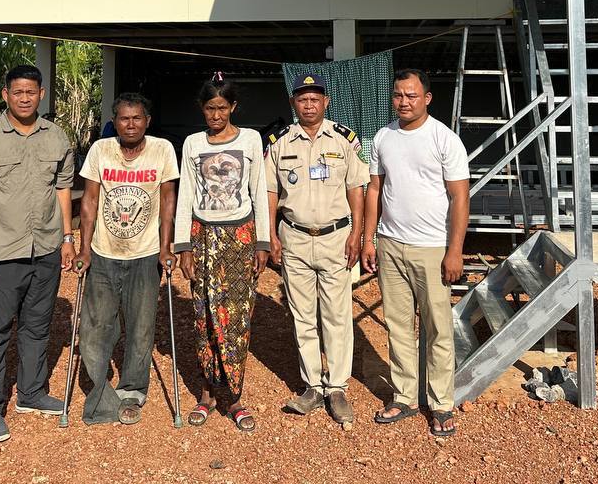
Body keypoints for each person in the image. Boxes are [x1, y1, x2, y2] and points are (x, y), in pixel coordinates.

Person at [0, 64, 76, 443]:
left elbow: (62, 189)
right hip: (1, 253)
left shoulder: (57, 137)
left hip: (46, 249)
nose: (25, 98)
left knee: (37, 327)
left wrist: (67, 238)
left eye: (31, 92)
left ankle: (31, 393)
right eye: (17, 92)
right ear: (5, 95)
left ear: (42, 95)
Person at [362, 68, 470, 438]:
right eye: (398, 95)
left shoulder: (444, 139)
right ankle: (405, 396)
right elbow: (374, 190)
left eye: (411, 95)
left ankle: (441, 403)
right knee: (398, 326)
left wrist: (455, 251)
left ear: (427, 98)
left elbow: (459, 197)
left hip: (432, 248)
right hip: (391, 244)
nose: (404, 102)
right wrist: (369, 239)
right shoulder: (383, 137)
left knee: (437, 328)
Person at [265, 73, 368, 428]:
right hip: (293, 238)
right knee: (302, 315)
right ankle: (312, 384)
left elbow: (357, 188)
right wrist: (271, 235)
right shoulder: (279, 142)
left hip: (336, 239)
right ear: (293, 103)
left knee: (337, 315)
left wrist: (357, 234)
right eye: (302, 99)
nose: (309, 105)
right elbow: (270, 192)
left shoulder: (343, 139)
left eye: (315, 99)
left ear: (326, 102)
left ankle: (336, 387)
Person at [173, 73, 270, 432]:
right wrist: (183, 245)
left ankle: (235, 398)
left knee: (238, 318)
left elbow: (259, 190)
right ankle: (206, 393)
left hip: (240, 237)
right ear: (202, 109)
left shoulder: (250, 139)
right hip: (202, 236)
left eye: (222, 108)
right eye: (210, 109)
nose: (216, 115)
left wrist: (262, 242)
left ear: (233, 107)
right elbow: (186, 194)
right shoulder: (193, 143)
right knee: (204, 317)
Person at [75, 93, 179, 425]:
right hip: (104, 252)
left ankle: (133, 389)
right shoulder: (100, 150)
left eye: (137, 118)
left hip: (145, 252)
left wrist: (166, 247)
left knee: (140, 325)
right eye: (123, 118)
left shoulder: (162, 150)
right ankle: (101, 391)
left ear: (147, 121)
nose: (130, 124)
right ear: (114, 122)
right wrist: (84, 248)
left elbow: (168, 201)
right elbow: (89, 200)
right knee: (95, 326)